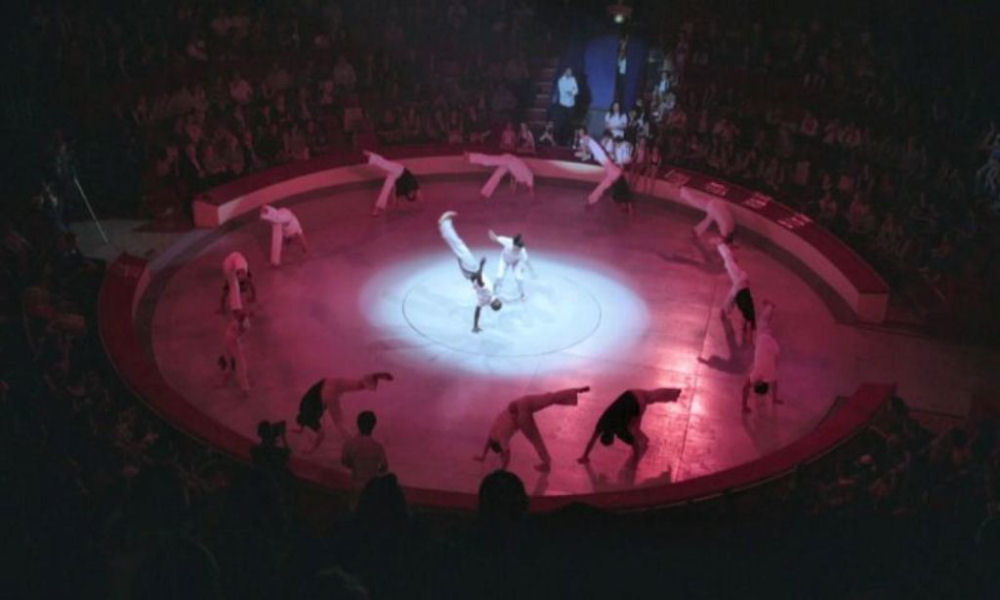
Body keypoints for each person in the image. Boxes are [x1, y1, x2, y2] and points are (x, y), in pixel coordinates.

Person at [474, 387, 590, 472]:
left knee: (535, 438)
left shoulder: (502, 439)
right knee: (549, 397)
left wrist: (502, 470)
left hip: (520, 416)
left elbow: (507, 455)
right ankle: (575, 391)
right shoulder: (493, 433)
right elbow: (488, 442)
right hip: (521, 401)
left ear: (498, 446)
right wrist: (483, 456)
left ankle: (546, 462)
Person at [577, 388, 682, 466]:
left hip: (637, 404)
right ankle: (673, 393)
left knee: (633, 430)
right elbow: (591, 441)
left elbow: (635, 445)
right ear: (603, 434)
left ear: (613, 437)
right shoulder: (602, 423)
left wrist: (635, 463)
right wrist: (585, 456)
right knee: (651, 396)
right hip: (631, 393)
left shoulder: (620, 430)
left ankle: (644, 440)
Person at [295, 372, 394, 452]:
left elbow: (321, 434)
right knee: (359, 385)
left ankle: (354, 446)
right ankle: (372, 377)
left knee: (339, 423)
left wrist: (311, 449)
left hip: (327, 392)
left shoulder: (308, 417)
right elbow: (303, 418)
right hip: (330, 381)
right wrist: (300, 429)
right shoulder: (303, 407)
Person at [438, 211, 503, 332]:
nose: (499, 300)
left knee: (459, 246)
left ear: (496, 302)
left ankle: (444, 223)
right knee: (457, 248)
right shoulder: (484, 302)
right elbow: (477, 310)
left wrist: (482, 265)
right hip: (467, 274)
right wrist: (475, 326)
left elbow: (480, 279)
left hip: (472, 269)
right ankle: (445, 226)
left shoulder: (488, 293)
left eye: (498, 302)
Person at [742, 300, 780, 413]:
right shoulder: (757, 374)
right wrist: (743, 407)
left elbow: (775, 385)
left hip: (773, 344)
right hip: (762, 336)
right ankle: (770, 306)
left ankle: (768, 309)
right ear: (758, 383)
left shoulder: (772, 376)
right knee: (763, 321)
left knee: (752, 342)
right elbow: (745, 388)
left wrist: (775, 399)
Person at [363, 150, 422, 216]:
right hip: (400, 169)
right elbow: (419, 193)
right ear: (414, 192)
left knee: (386, 189)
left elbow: (395, 191)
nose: (411, 193)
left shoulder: (403, 190)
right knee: (385, 164)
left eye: (410, 195)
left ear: (408, 196)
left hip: (394, 176)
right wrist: (420, 203)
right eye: (412, 194)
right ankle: (371, 155)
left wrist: (395, 202)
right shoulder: (414, 184)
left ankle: (377, 209)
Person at [341, 410, 388, 492]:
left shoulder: (350, 444)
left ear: (358, 424)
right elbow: (384, 467)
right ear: (373, 426)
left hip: (356, 485)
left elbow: (345, 462)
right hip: (372, 487)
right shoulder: (378, 447)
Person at [717, 243, 756, 341]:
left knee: (737, 284)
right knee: (737, 283)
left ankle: (724, 310)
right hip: (743, 286)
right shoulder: (738, 273)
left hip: (742, 286)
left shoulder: (737, 272)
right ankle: (724, 310)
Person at [582, 133, 630, 208]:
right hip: (615, 172)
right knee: (603, 186)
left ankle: (591, 200)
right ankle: (591, 200)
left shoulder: (619, 148)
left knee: (603, 186)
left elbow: (598, 151)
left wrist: (589, 142)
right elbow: (598, 151)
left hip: (614, 172)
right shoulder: (617, 149)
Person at [488, 229, 534, 299]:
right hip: (504, 260)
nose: (518, 250)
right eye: (517, 248)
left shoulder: (522, 252)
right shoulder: (508, 241)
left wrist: (531, 271)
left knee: (519, 279)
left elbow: (527, 261)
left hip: (516, 263)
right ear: (514, 244)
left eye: (520, 249)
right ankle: (494, 290)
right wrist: (491, 234)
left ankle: (522, 294)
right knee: (499, 277)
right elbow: (496, 238)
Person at [466, 152, 534, 198]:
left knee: (496, 176)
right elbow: (531, 190)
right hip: (510, 160)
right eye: (524, 187)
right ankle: (471, 157)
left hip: (509, 166)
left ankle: (485, 193)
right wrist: (531, 196)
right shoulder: (529, 177)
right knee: (490, 161)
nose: (521, 186)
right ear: (526, 186)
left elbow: (513, 179)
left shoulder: (521, 180)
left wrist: (512, 190)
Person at [218, 308, 251, 393]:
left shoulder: (243, 324)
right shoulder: (238, 322)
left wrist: (240, 328)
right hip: (229, 341)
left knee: (240, 364)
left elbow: (242, 332)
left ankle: (245, 387)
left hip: (233, 342)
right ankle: (226, 378)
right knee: (228, 359)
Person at [554, 67, 579, 145]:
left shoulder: (573, 79)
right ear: (565, 72)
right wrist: (571, 91)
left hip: (571, 105)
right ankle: (560, 141)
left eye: (571, 72)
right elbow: (563, 91)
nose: (570, 73)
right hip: (563, 105)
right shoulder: (561, 80)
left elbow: (576, 90)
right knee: (562, 123)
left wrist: (571, 92)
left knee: (570, 124)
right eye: (568, 72)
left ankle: (568, 141)